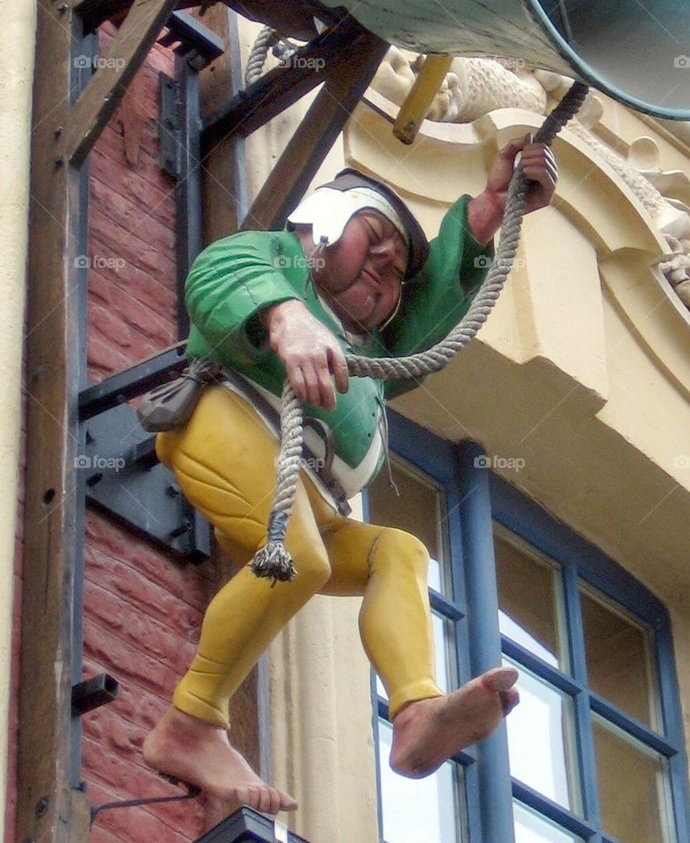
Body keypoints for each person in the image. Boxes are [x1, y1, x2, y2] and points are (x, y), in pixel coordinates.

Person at [142, 138, 558, 814]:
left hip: (309, 490)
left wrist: (488, 214)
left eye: (397, 278)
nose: (386, 275)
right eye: (377, 245)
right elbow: (220, 270)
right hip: (226, 418)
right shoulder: (282, 262)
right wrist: (285, 315)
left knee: (398, 551)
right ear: (327, 223)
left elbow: (423, 330)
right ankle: (191, 720)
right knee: (299, 557)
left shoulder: (368, 349)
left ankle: (416, 710)